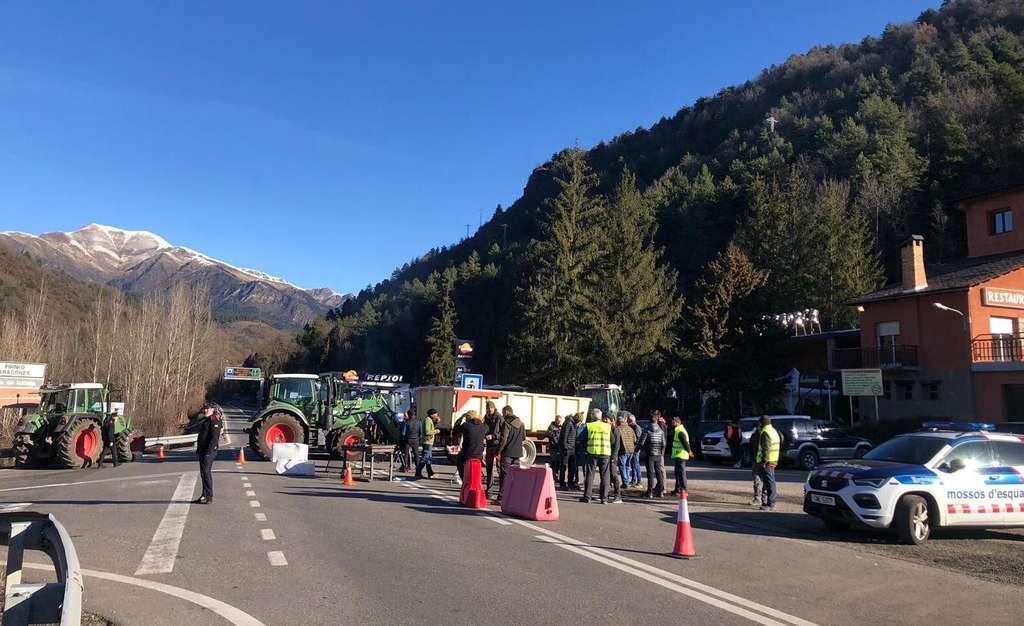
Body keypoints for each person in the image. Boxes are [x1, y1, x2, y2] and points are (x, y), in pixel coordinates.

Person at [494, 406, 526, 504]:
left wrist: (498, 451)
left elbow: (503, 439)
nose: (502, 415)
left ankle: (501, 498)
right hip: (517, 453)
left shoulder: (506, 423)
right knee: (515, 476)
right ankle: (514, 497)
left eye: (503, 413)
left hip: (507, 453)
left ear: (507, 412)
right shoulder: (521, 423)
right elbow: (524, 437)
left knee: (504, 476)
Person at [194, 403, 223, 505]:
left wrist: (209, 451)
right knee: (203, 473)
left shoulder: (215, 420)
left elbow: (214, 438)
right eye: (204, 409)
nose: (205, 410)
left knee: (206, 472)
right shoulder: (206, 420)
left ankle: (209, 497)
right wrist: (199, 449)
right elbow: (202, 436)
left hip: (209, 452)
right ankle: (204, 495)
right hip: (203, 450)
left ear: (213, 410)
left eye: (207, 409)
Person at [581, 408, 611, 504]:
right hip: (605, 453)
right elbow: (613, 440)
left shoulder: (589, 426)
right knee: (605, 476)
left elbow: (583, 440)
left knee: (590, 474)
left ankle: (587, 497)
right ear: (600, 416)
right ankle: (604, 498)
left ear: (592, 416)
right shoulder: (607, 426)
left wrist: (586, 449)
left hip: (592, 452)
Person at [755, 415, 781, 510]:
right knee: (769, 482)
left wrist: (763, 461)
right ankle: (770, 502)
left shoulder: (765, 432)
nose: (758, 425)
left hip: (768, 461)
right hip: (773, 459)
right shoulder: (773, 431)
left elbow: (766, 448)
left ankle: (771, 504)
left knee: (770, 483)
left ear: (762, 423)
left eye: (759, 423)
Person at [453, 410, 486, 481]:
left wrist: (460, 418)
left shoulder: (466, 425)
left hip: (467, 454)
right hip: (479, 454)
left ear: (468, 418)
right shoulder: (483, 427)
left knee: (458, 461)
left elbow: (455, 431)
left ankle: (464, 479)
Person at [638, 419, 666, 498]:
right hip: (658, 454)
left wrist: (638, 449)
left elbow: (641, 442)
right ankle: (660, 492)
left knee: (650, 474)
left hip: (649, 454)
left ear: (650, 422)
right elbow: (664, 443)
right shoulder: (661, 431)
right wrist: (661, 453)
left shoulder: (647, 430)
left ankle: (650, 492)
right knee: (659, 473)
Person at [667, 416, 691, 497]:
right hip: (678, 454)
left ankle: (684, 490)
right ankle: (677, 490)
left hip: (681, 455)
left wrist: (689, 451)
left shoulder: (680, 431)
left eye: (673, 422)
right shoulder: (678, 430)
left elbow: (685, 443)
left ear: (677, 422)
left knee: (681, 473)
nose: (672, 424)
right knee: (678, 473)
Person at [483, 401, 502, 497]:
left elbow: (503, 433)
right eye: (487, 408)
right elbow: (485, 428)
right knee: (489, 468)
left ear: (494, 408)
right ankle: (489, 491)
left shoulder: (499, 417)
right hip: (489, 445)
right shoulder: (486, 417)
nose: (489, 410)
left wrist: (493, 436)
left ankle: (501, 492)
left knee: (499, 469)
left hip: (497, 445)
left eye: (490, 408)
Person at [557, 412, 578, 489]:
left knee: (572, 466)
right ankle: (562, 484)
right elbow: (564, 436)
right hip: (567, 448)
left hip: (571, 448)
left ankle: (570, 483)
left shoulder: (572, 423)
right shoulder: (569, 423)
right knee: (563, 466)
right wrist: (565, 447)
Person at [416, 409, 438, 479]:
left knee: (428, 458)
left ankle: (430, 473)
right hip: (427, 442)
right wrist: (436, 431)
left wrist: (436, 423)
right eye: (436, 414)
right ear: (432, 414)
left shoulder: (429, 420)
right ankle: (418, 472)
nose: (436, 415)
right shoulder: (428, 420)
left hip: (429, 442)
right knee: (425, 457)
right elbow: (428, 431)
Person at [616, 415, 636, 490]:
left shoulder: (618, 429)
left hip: (623, 450)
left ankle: (625, 482)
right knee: (627, 466)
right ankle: (626, 481)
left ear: (618, 422)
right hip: (631, 450)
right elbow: (635, 439)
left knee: (622, 466)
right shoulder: (630, 428)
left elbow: (617, 441)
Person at [607, 414, 623, 503]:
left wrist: (614, 456)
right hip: (608, 455)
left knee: (613, 475)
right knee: (608, 475)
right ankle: (606, 494)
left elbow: (617, 445)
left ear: (612, 420)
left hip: (613, 456)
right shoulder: (610, 429)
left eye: (607, 420)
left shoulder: (616, 430)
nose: (605, 421)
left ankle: (618, 495)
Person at [405, 408, 422, 475]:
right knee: (416, 454)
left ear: (409, 415)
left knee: (406, 454)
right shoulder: (419, 422)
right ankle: (417, 467)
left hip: (408, 439)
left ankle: (406, 467)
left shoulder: (407, 422)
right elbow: (421, 432)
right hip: (416, 440)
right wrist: (419, 438)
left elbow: (404, 432)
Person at [627, 414, 643, 486]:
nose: (627, 422)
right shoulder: (632, 427)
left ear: (631, 420)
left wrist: (635, 447)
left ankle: (639, 481)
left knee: (636, 464)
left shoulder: (636, 427)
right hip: (632, 448)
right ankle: (633, 480)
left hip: (635, 449)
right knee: (633, 464)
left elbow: (639, 439)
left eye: (628, 420)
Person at [574, 412, 589, 486]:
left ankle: (586, 480)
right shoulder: (574, 426)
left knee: (584, 465)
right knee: (575, 464)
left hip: (582, 448)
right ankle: (576, 479)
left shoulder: (584, 426)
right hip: (575, 448)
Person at [546, 415, 563, 480]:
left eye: (560, 421)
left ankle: (556, 475)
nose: (559, 423)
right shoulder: (551, 426)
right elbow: (548, 433)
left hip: (559, 447)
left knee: (558, 462)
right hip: (553, 446)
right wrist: (554, 432)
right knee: (553, 461)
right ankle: (552, 475)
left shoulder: (561, 427)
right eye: (558, 421)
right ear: (556, 420)